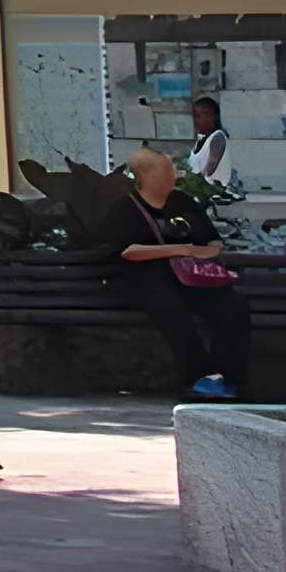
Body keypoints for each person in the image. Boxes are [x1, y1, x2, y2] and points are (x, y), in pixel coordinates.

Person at [93, 145, 253, 401]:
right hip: (145, 280)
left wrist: (207, 251)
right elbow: (127, 251)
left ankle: (229, 377)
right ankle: (198, 376)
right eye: (166, 170)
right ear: (147, 175)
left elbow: (212, 241)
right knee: (169, 308)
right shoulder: (124, 208)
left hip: (191, 278)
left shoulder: (183, 202)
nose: (173, 174)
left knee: (232, 305)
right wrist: (182, 249)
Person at [191, 97, 240, 189]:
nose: (200, 119)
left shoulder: (217, 137)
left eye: (206, 114)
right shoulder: (201, 140)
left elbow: (212, 163)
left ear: (215, 116)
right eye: (197, 115)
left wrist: (194, 181)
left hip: (212, 192)